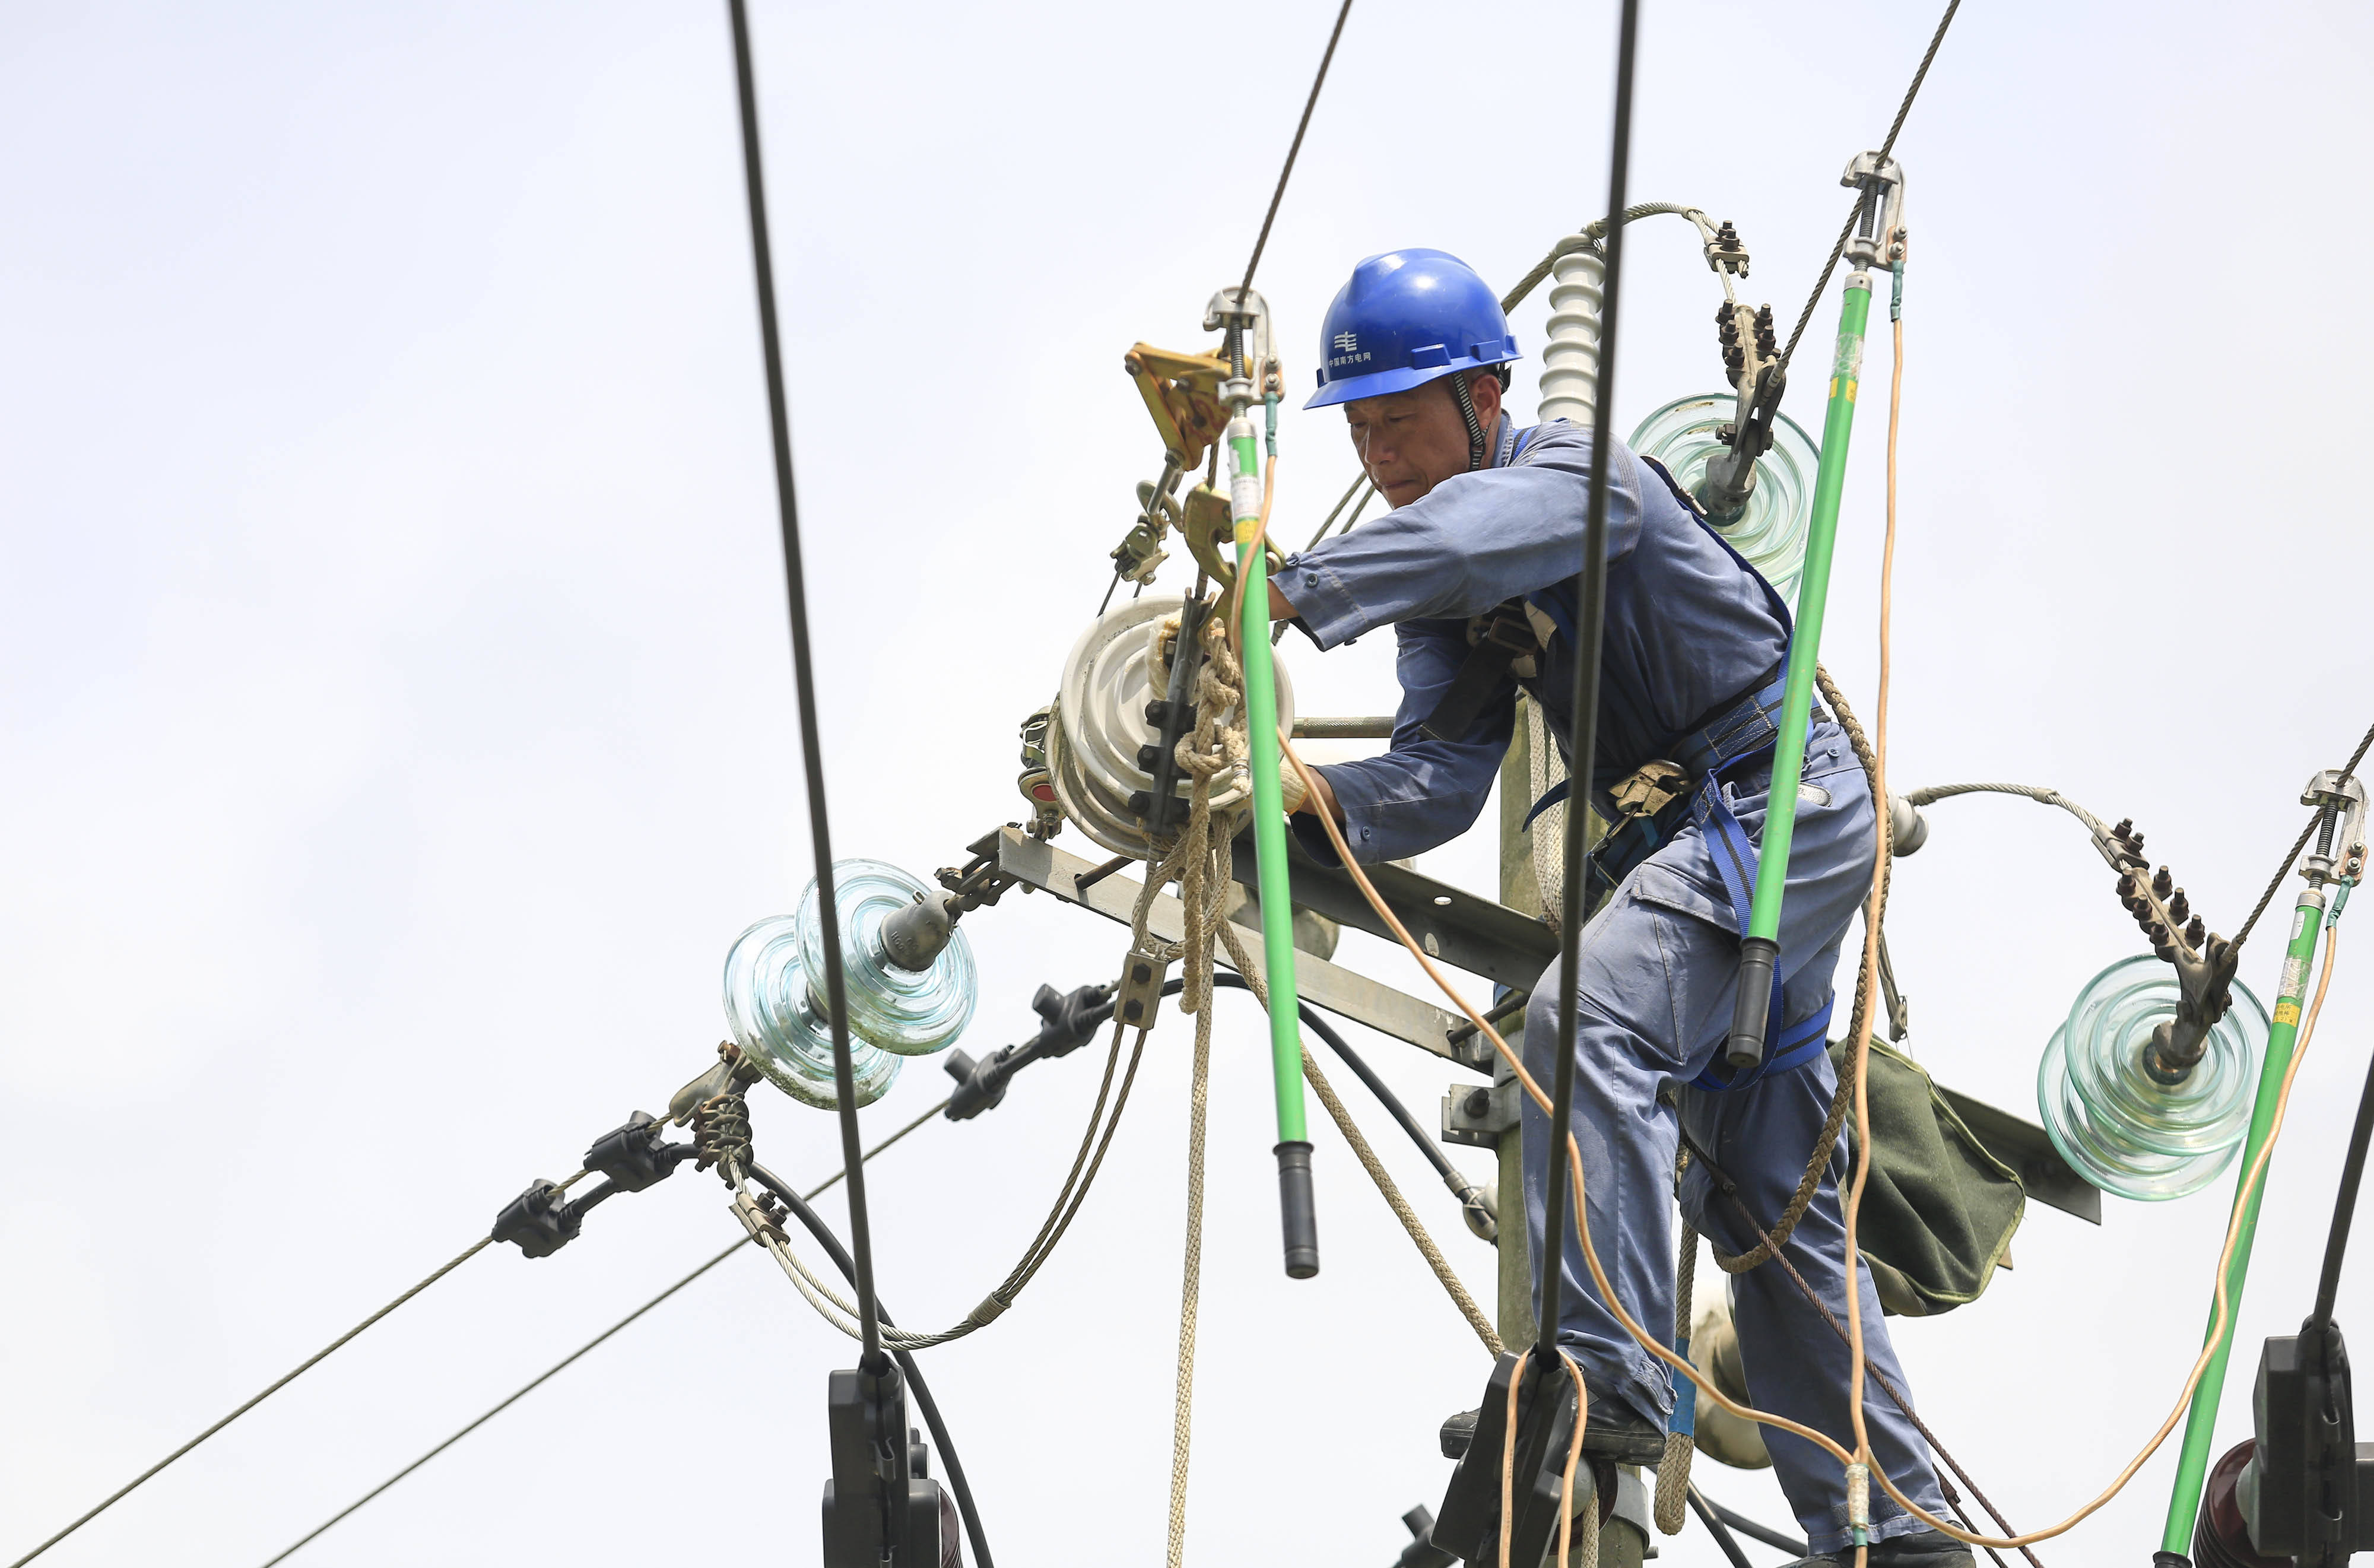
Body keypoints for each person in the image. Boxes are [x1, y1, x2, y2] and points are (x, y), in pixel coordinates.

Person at [1261, 248, 1968, 1568]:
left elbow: (1472, 534)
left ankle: (1603, 1387)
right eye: (1358, 432)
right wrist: (1310, 794)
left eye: (1399, 421)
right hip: (1699, 846)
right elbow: (1434, 780)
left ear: (1482, 395)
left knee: (1581, 1031)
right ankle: (1896, 1531)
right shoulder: (1454, 605)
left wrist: (1298, 592)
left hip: (1781, 808)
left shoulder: (1584, 479)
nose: (1381, 454)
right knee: (1771, 1201)